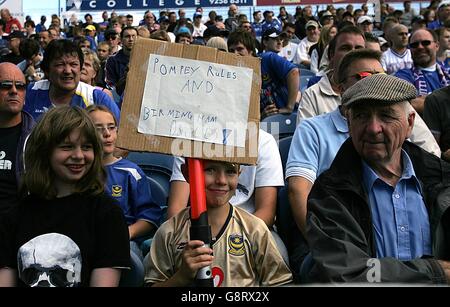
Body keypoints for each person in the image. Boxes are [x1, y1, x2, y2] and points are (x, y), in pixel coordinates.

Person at [306, 73, 450, 283]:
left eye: (386, 116)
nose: (373, 128)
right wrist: (435, 271)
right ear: (349, 124)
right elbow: (349, 274)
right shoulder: (329, 193)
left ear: (410, 123)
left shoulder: (443, 178)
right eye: (362, 116)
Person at [0, 106, 130, 287]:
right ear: (44, 151)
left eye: (86, 147)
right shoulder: (14, 216)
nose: (78, 156)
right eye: (67, 147)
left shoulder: (107, 215)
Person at [145, 160, 293, 287]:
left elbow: (279, 282)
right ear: (187, 172)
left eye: (230, 171)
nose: (221, 180)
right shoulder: (170, 232)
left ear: (239, 174)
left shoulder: (254, 229)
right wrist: (182, 276)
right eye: (210, 169)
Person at [87, 105, 161, 286]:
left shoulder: (130, 172)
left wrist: (127, 233)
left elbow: (149, 217)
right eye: (98, 129)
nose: (107, 133)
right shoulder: (78, 170)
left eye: (111, 127)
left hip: (123, 240)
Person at [24, 39, 120, 121]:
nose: (68, 71)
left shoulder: (96, 98)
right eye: (60, 65)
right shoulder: (31, 92)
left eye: (74, 64)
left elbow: (120, 131)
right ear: (47, 70)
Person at [0, 63, 35, 216]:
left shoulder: (38, 138)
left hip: (20, 229)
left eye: (20, 86)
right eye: (6, 85)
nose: (14, 91)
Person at [395, 29, 450, 115]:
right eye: (414, 45)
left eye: (425, 43)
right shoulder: (402, 76)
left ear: (437, 45)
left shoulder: (447, 74)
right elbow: (405, 104)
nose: (420, 47)